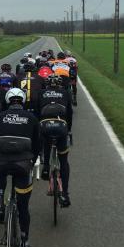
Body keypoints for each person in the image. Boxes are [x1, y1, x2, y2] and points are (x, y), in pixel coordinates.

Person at [0, 88, 40, 247]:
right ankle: (24, 242)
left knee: (0, 172)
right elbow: (37, 145)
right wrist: (32, 162)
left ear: (7, 101)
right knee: (23, 207)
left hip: (3, 162)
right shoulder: (32, 118)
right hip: (23, 165)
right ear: (23, 101)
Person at [37, 74, 73, 207]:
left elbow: (37, 111)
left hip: (45, 125)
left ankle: (46, 167)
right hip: (61, 126)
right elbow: (69, 112)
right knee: (64, 161)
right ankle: (65, 194)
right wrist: (68, 129)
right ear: (60, 84)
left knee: (46, 142)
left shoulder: (42, 93)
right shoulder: (65, 92)